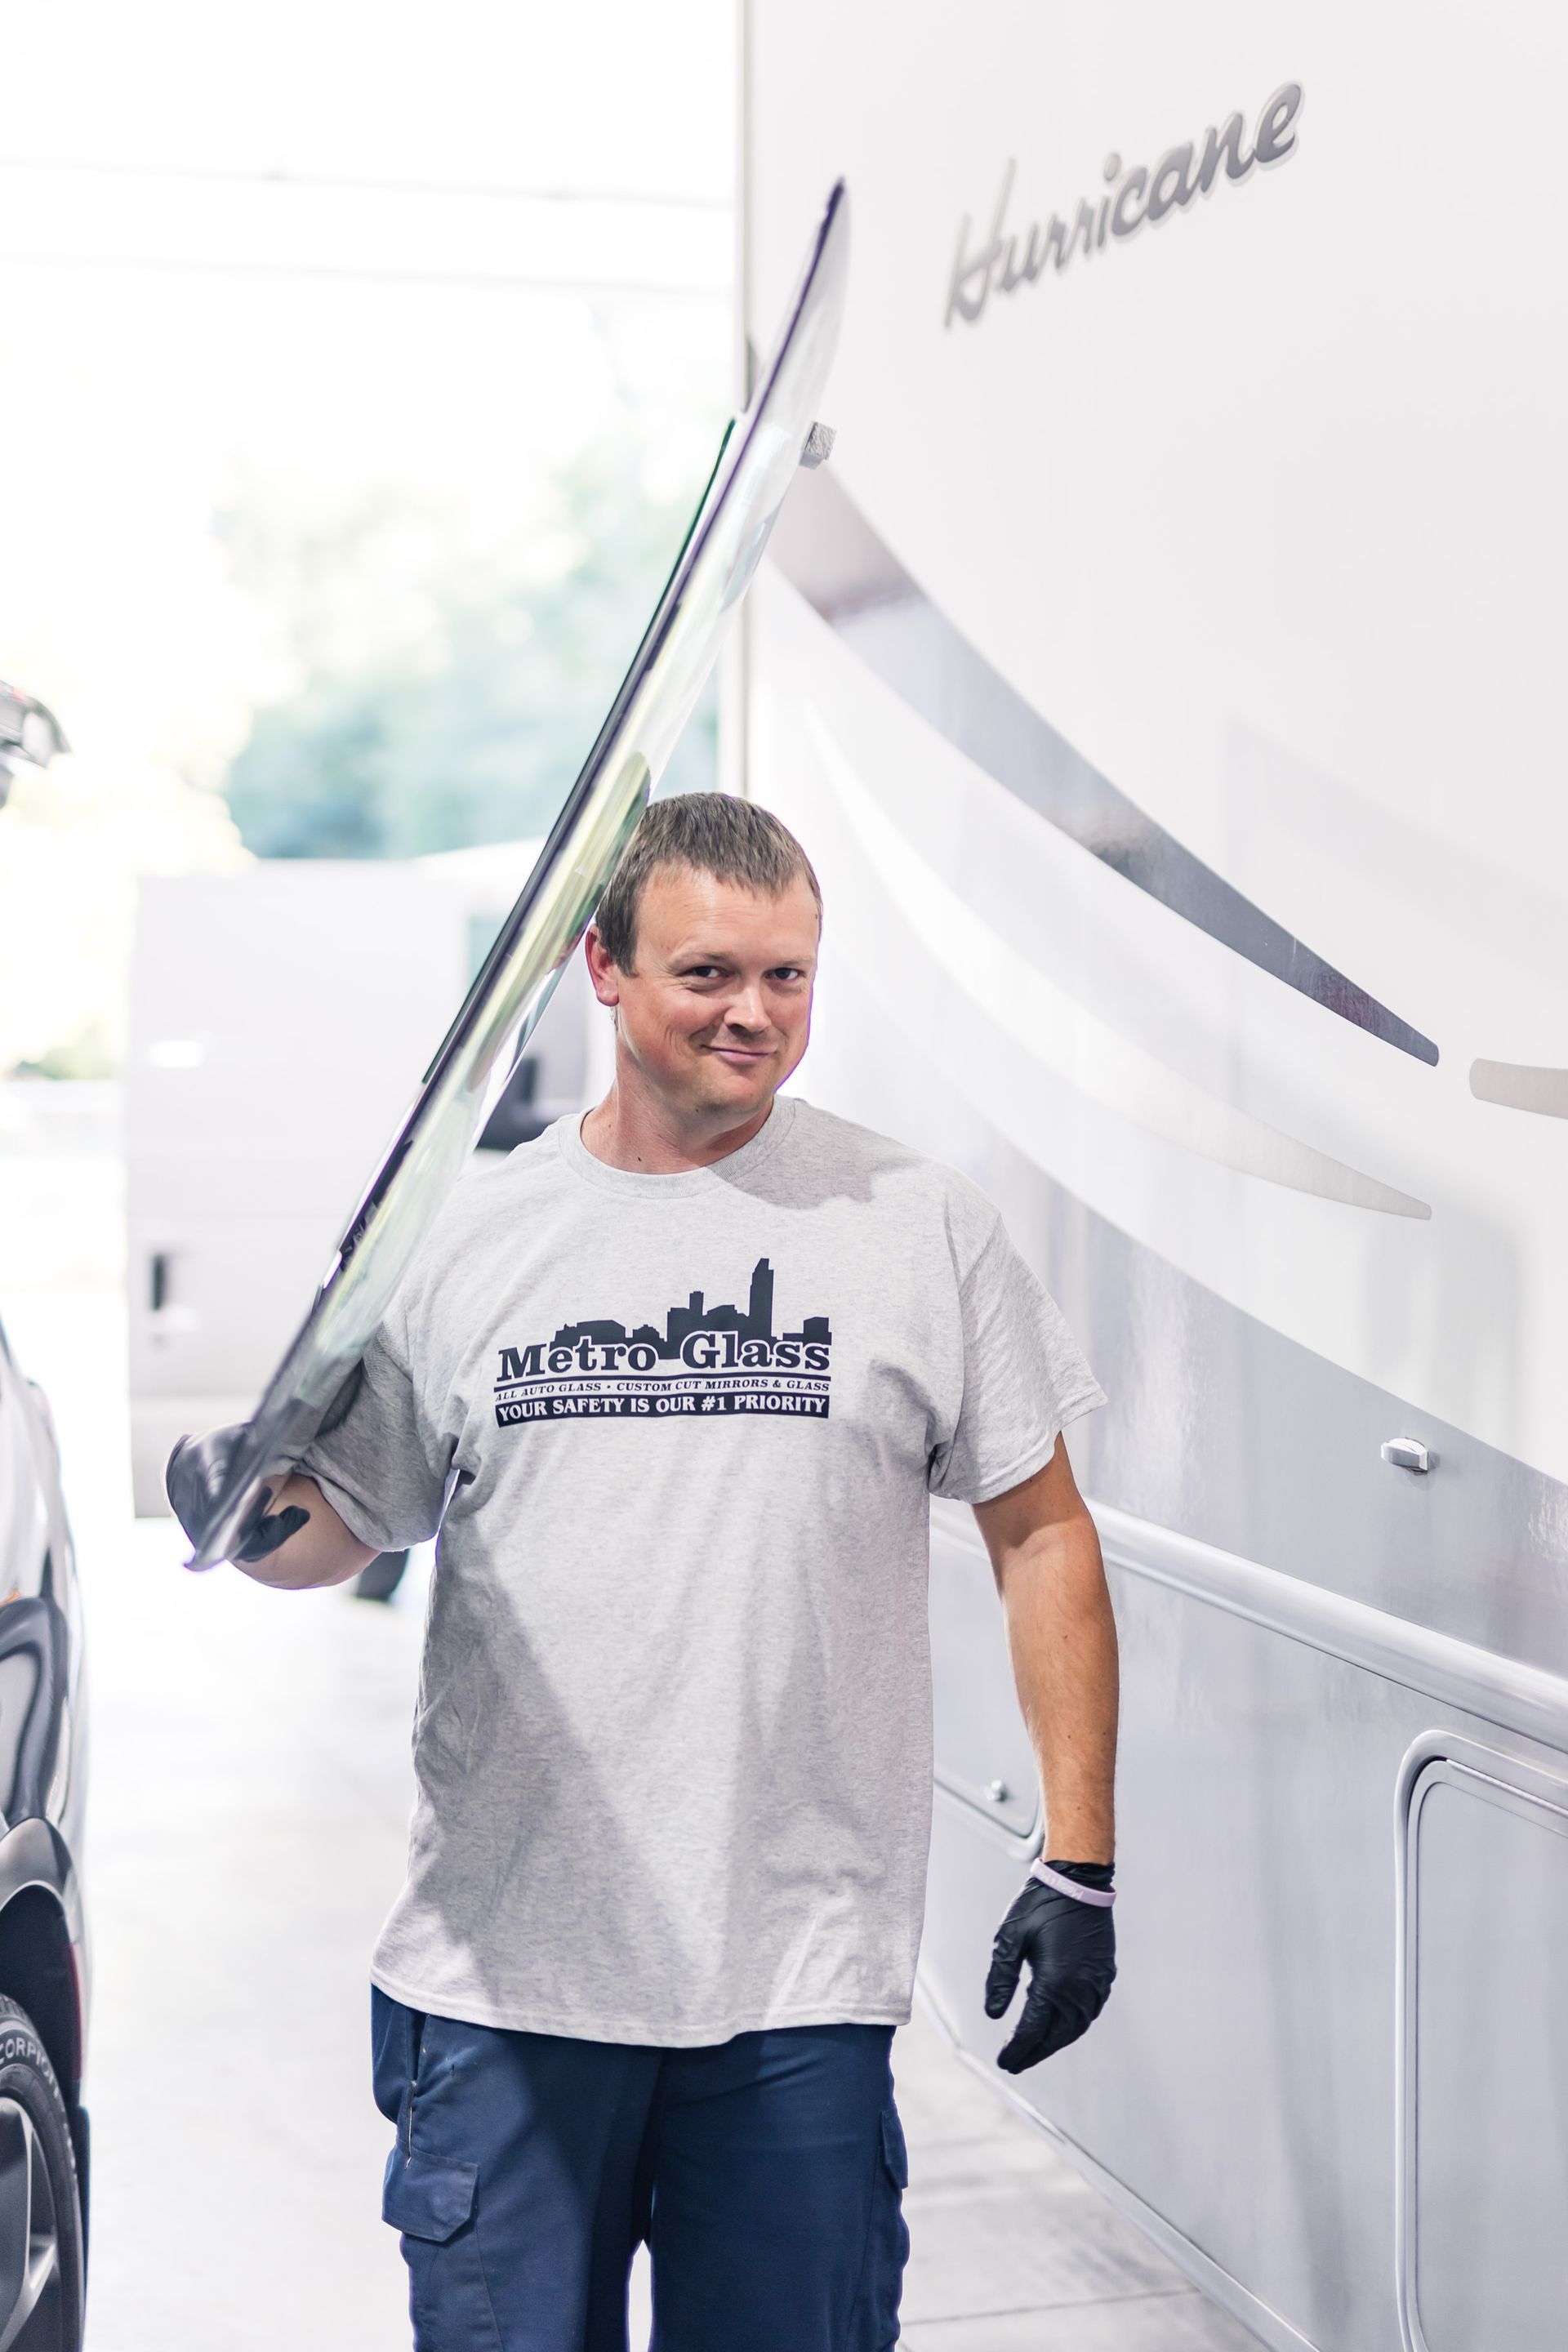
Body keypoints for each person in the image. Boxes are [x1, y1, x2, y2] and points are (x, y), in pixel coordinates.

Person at [167, 793, 1119, 2352]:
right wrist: (239, 1507)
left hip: (796, 1983)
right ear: (605, 969)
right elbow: (350, 1524)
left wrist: (1077, 1856)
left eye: (790, 977)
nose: (755, 1014)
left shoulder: (915, 1226)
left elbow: (1044, 1531)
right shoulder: (477, 1237)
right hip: (506, 1975)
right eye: (709, 974)